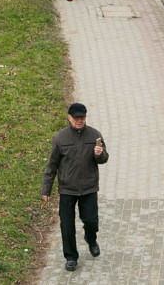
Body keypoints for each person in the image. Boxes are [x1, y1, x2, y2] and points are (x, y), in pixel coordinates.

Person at [41, 103, 109, 271]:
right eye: (77, 118)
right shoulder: (60, 138)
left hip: (88, 188)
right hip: (67, 190)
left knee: (91, 221)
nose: (80, 121)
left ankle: (91, 239)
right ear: (69, 118)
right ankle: (71, 257)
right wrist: (46, 190)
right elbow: (52, 166)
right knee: (67, 225)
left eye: (83, 118)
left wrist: (99, 154)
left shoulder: (95, 135)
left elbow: (104, 158)